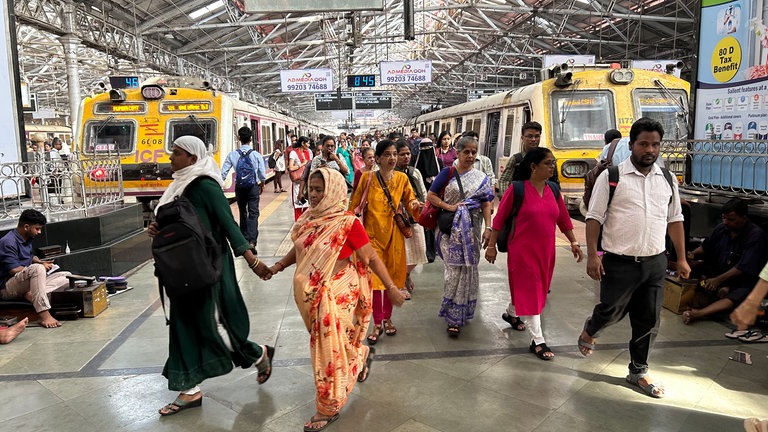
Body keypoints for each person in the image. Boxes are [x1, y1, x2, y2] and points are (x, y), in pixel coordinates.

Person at [268, 167, 404, 432]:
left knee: (327, 350)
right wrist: (277, 267)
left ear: (334, 190)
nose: (314, 195)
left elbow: (371, 257)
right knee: (337, 343)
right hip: (311, 297)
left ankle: (327, 407)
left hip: (337, 294)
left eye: (320, 189)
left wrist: (390, 287)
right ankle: (360, 356)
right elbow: (300, 249)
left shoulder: (347, 223)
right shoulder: (308, 219)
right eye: (312, 189)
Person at [148, 135, 275, 416]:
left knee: (213, 323)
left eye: (176, 154)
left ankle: (257, 354)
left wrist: (253, 261)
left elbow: (228, 225)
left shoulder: (205, 185)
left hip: (208, 266)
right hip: (181, 267)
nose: (171, 159)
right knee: (182, 323)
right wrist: (156, 229)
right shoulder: (176, 186)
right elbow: (173, 222)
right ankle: (190, 389)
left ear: (192, 158)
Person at [579, 118, 690, 399]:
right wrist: (593, 255)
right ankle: (592, 328)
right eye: (643, 144)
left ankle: (638, 371)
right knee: (611, 310)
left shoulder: (666, 179)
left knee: (648, 320)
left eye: (655, 144)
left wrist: (682, 258)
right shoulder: (612, 176)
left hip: (655, 263)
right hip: (619, 262)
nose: (649, 149)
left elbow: (674, 218)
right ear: (632, 146)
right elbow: (594, 217)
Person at [485, 147, 583, 359]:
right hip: (522, 252)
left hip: (546, 252)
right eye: (548, 163)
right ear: (533, 167)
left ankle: (512, 314)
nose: (552, 167)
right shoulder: (517, 189)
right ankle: (538, 341)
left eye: (553, 163)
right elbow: (499, 220)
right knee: (532, 291)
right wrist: (491, 246)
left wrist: (574, 241)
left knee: (538, 289)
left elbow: (563, 219)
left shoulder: (553, 190)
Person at [348, 140, 419, 344]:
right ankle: (377, 322)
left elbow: (410, 201)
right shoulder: (367, 178)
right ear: (377, 159)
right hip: (371, 236)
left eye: (394, 154)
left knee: (392, 278)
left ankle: (388, 319)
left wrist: (415, 205)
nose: (392, 158)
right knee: (376, 282)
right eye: (387, 154)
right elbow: (355, 204)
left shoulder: (402, 178)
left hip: (394, 236)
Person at [426, 136, 494, 337]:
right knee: (454, 271)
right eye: (467, 152)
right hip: (449, 230)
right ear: (458, 152)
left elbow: (486, 204)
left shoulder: (481, 178)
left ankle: (462, 310)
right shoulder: (448, 173)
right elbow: (431, 195)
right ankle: (452, 316)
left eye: (474, 152)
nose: (471, 156)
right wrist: (450, 207)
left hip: (471, 229)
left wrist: (488, 227)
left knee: (468, 270)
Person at [683, 199, 767, 324]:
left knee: (739, 293)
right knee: (694, 273)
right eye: (724, 218)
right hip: (719, 273)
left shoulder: (756, 236)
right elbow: (706, 247)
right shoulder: (722, 228)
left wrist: (718, 280)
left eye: (731, 219)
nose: (726, 222)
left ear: (744, 218)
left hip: (743, 280)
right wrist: (692, 254)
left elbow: (742, 267)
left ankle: (698, 314)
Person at [0, 209, 72, 328]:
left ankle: (31, 295)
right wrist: (39, 267)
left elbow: (29, 257)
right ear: (26, 226)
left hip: (25, 282)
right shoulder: (8, 242)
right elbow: (13, 270)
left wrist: (40, 261)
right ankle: (44, 315)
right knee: (37, 269)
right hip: (7, 288)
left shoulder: (27, 238)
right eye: (37, 228)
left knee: (66, 276)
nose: (39, 232)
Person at [221, 127, 267, 249]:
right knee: (253, 212)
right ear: (251, 139)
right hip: (253, 187)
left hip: (240, 187)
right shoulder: (256, 155)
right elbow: (262, 173)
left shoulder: (232, 154)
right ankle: (252, 241)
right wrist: (262, 183)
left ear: (238, 138)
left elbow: (223, 172)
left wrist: (219, 184)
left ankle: (244, 239)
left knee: (243, 212)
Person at [395, 141, 428, 299]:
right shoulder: (391, 174)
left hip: (415, 216)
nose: (406, 157)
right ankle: (400, 284)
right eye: (402, 154)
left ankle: (406, 274)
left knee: (419, 250)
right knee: (402, 253)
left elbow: (423, 191)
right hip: (398, 219)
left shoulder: (415, 173)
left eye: (408, 153)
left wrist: (425, 207)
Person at [497, 121, 559, 197]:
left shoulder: (548, 159)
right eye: (530, 136)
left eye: (537, 136)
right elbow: (504, 181)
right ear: (522, 138)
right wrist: (507, 199)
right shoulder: (516, 159)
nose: (533, 139)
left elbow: (555, 181)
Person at [413, 137, 441, 263]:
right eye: (423, 148)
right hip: (421, 200)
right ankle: (426, 251)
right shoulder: (415, 165)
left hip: (436, 200)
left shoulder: (439, 163)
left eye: (428, 148)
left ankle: (434, 249)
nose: (426, 151)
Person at [289, 136, 312, 221]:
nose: (309, 145)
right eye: (307, 143)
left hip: (306, 183)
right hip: (297, 183)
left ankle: (304, 227)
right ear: (302, 143)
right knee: (298, 206)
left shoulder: (308, 152)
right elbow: (291, 168)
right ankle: (298, 226)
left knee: (306, 206)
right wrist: (302, 164)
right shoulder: (293, 153)